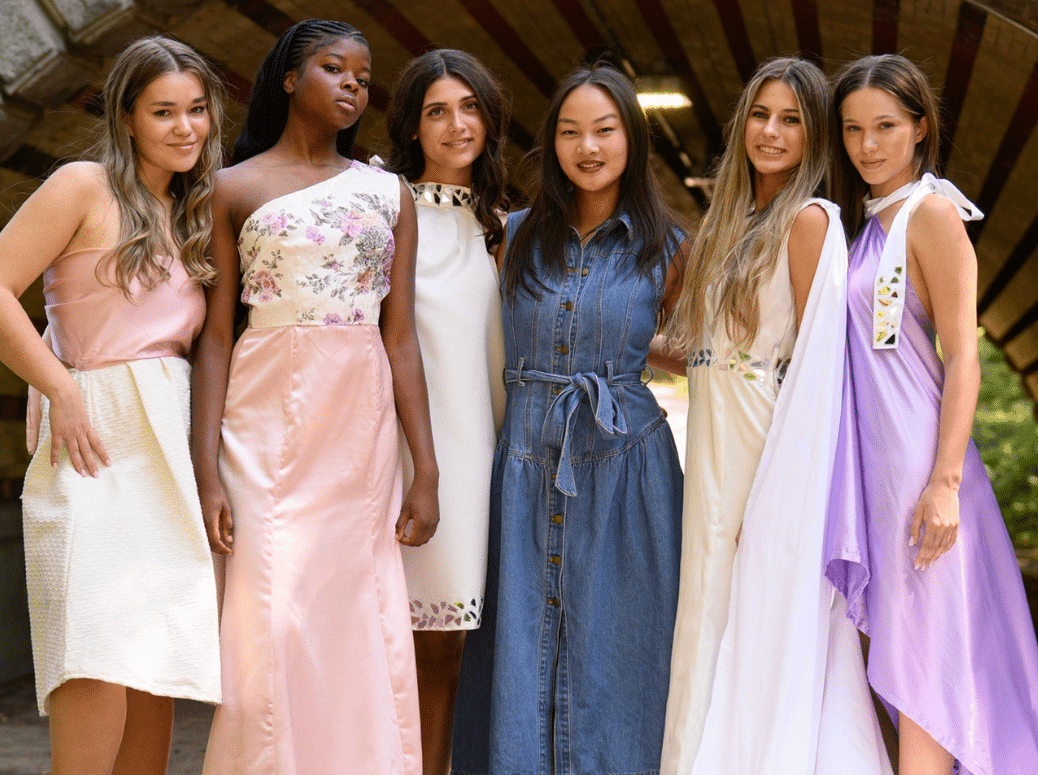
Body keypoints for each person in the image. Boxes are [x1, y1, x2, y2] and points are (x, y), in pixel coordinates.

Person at [0, 35, 224, 775]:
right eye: (163, 112)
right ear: (127, 118)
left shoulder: (195, 209)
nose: (184, 127)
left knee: (152, 658)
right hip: (95, 436)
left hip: (168, 437)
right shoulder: (82, 185)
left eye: (196, 109)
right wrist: (58, 382)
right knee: (95, 646)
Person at [193, 18, 439, 775]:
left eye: (363, 77)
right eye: (335, 68)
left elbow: (401, 336)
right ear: (290, 77)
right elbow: (215, 336)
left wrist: (425, 470)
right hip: (261, 419)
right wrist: (205, 470)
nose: (353, 86)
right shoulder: (231, 188)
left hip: (357, 425)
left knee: (354, 612)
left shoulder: (388, 193)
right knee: (266, 615)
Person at [826, 53, 1038, 775]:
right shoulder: (869, 225)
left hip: (919, 468)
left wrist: (943, 484)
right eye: (853, 129)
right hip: (875, 466)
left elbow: (964, 356)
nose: (868, 145)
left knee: (925, 670)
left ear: (920, 127)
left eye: (884, 126)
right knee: (903, 662)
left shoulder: (932, 215)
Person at [452, 64, 686, 775]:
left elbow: (700, 353)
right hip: (523, 463)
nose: (588, 147)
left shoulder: (669, 248)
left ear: (632, 139)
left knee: (622, 650)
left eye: (605, 130)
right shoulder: (509, 235)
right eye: (571, 131)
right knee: (518, 646)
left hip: (629, 469)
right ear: (551, 142)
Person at [661, 56, 890, 775]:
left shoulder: (810, 221)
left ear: (814, 134)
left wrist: (777, 496)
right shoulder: (729, 222)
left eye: (791, 119)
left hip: (768, 454)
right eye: (760, 115)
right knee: (708, 613)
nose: (771, 131)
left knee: (756, 622)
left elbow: (820, 370)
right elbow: (704, 353)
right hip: (715, 444)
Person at [380, 48, 508, 775]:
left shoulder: (500, 227)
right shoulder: (381, 208)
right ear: (412, 126)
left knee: (445, 654)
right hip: (396, 459)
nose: (457, 125)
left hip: (474, 461)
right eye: (437, 111)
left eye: (469, 108)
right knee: (386, 648)